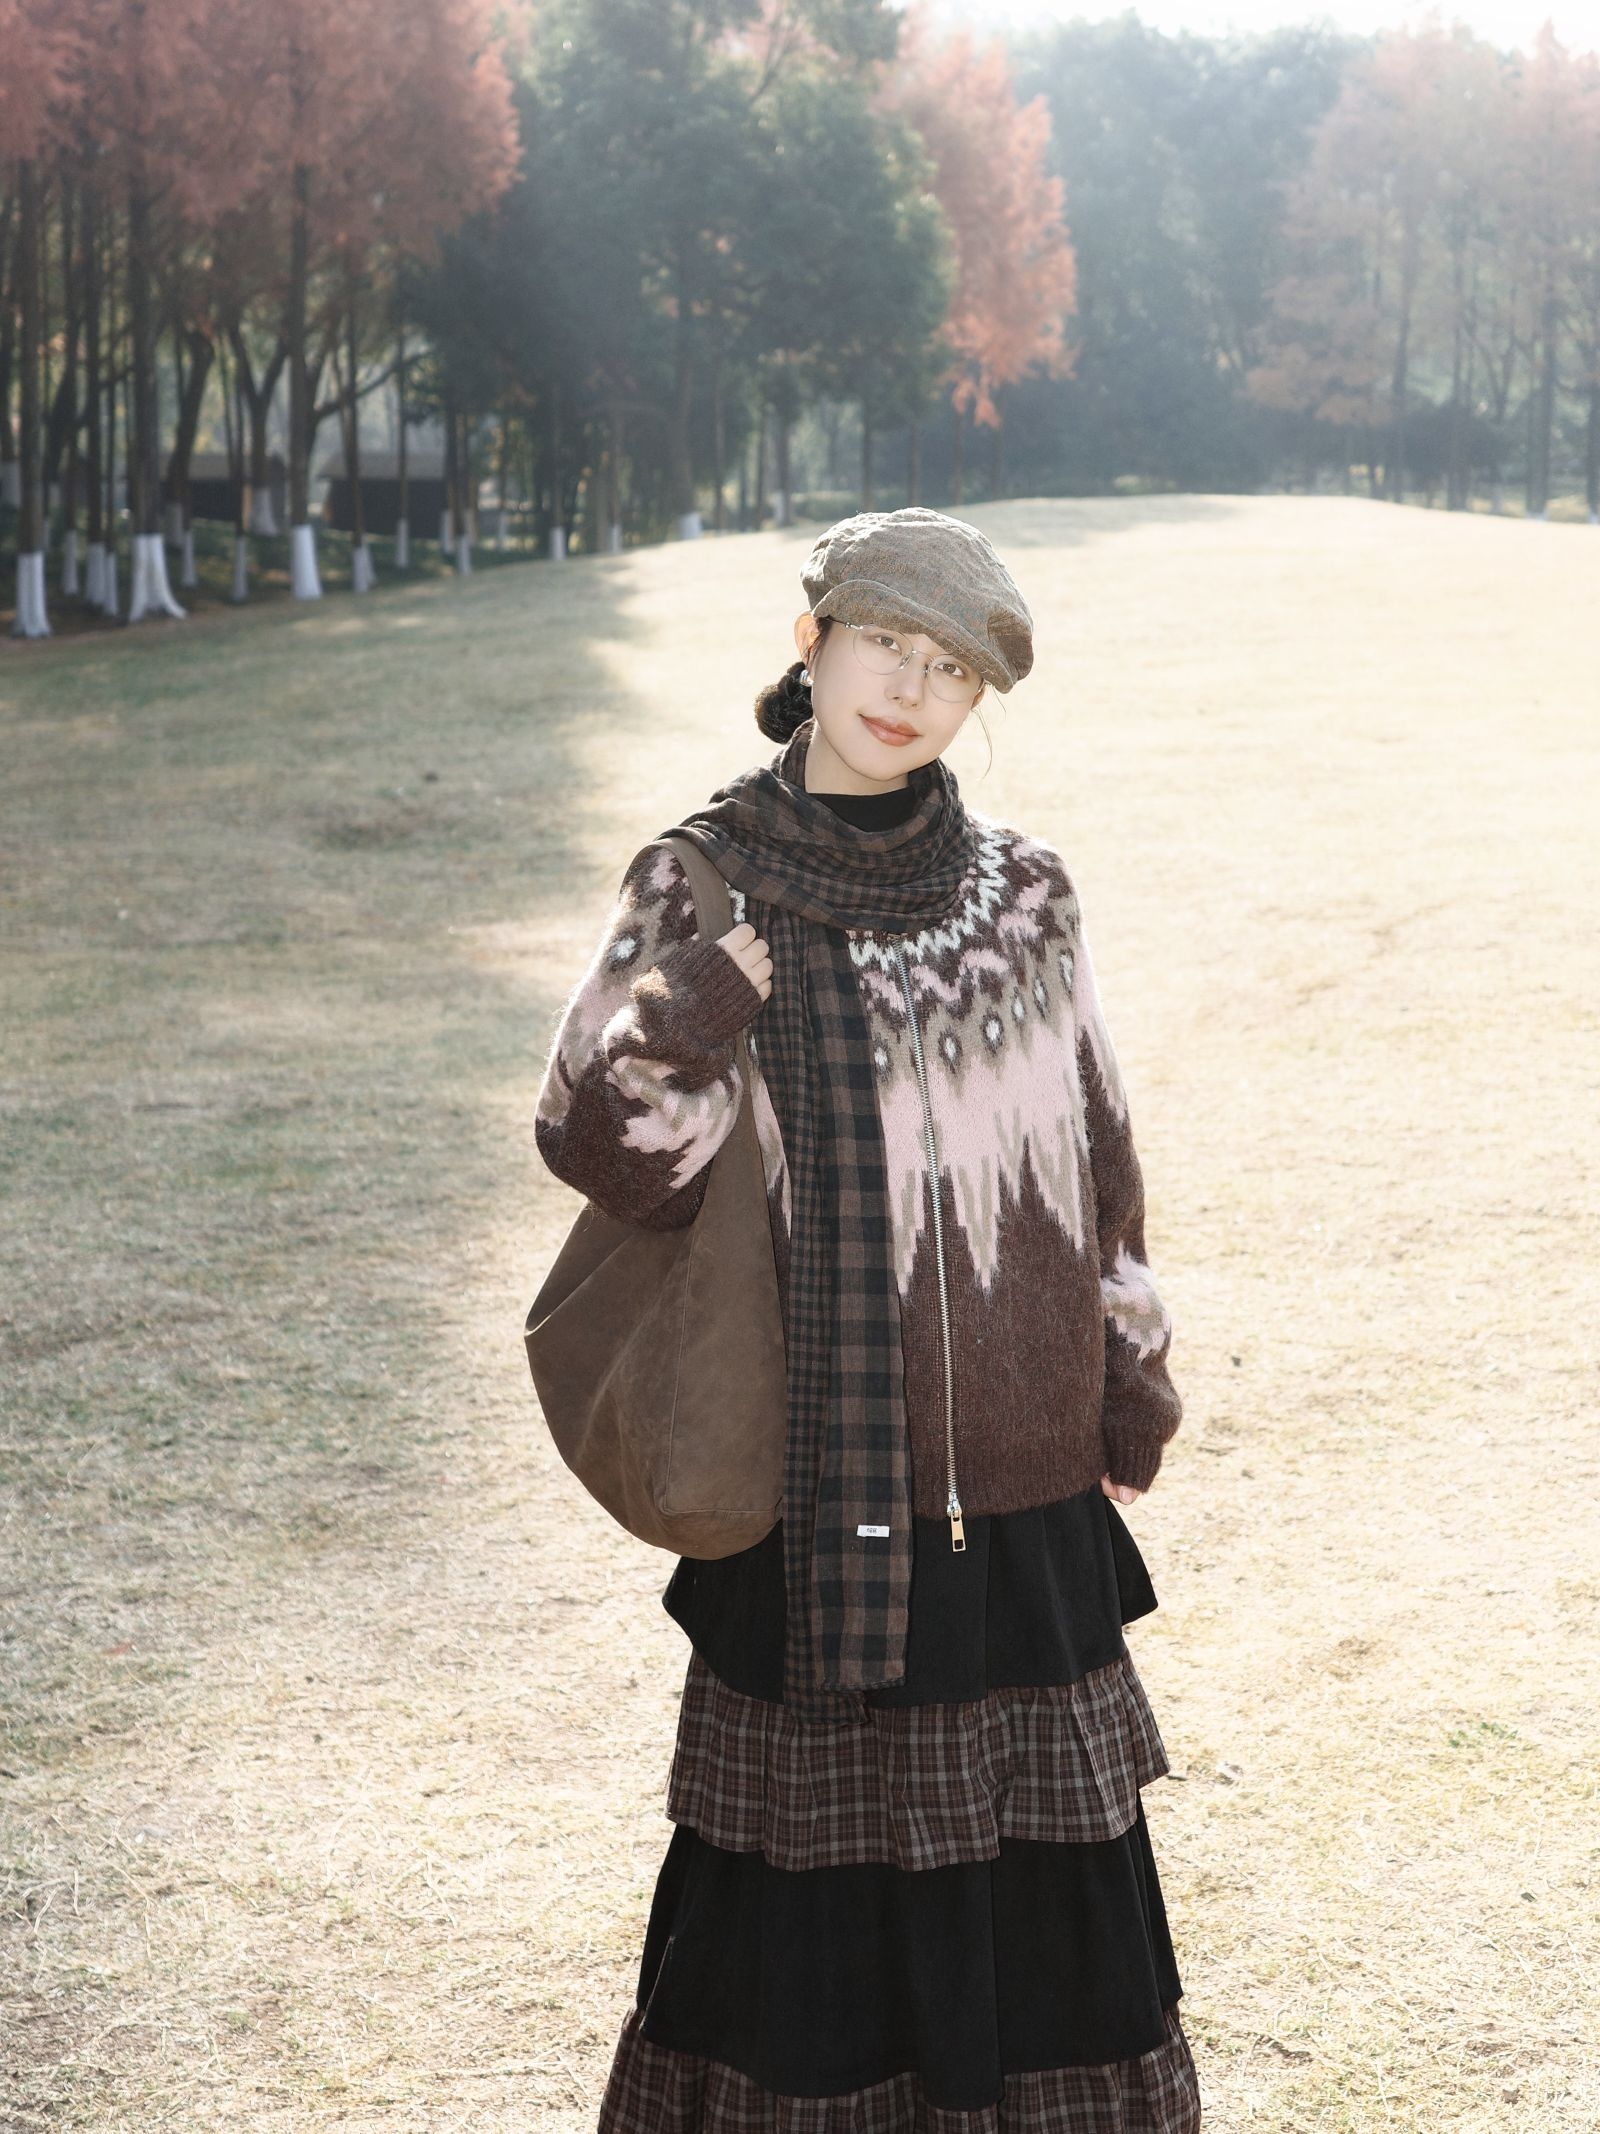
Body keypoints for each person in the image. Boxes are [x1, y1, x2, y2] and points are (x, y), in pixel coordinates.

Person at [534, 506, 1201, 2130]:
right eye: (886, 644)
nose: (910, 688)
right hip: (822, 1509)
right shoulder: (702, 877)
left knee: (1049, 1944)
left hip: (1025, 1508)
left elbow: (1098, 1151)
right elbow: (596, 1141)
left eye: (950, 668)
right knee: (802, 1964)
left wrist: (1130, 1369)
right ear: (812, 641)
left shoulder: (1028, 893)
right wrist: (701, 1004)